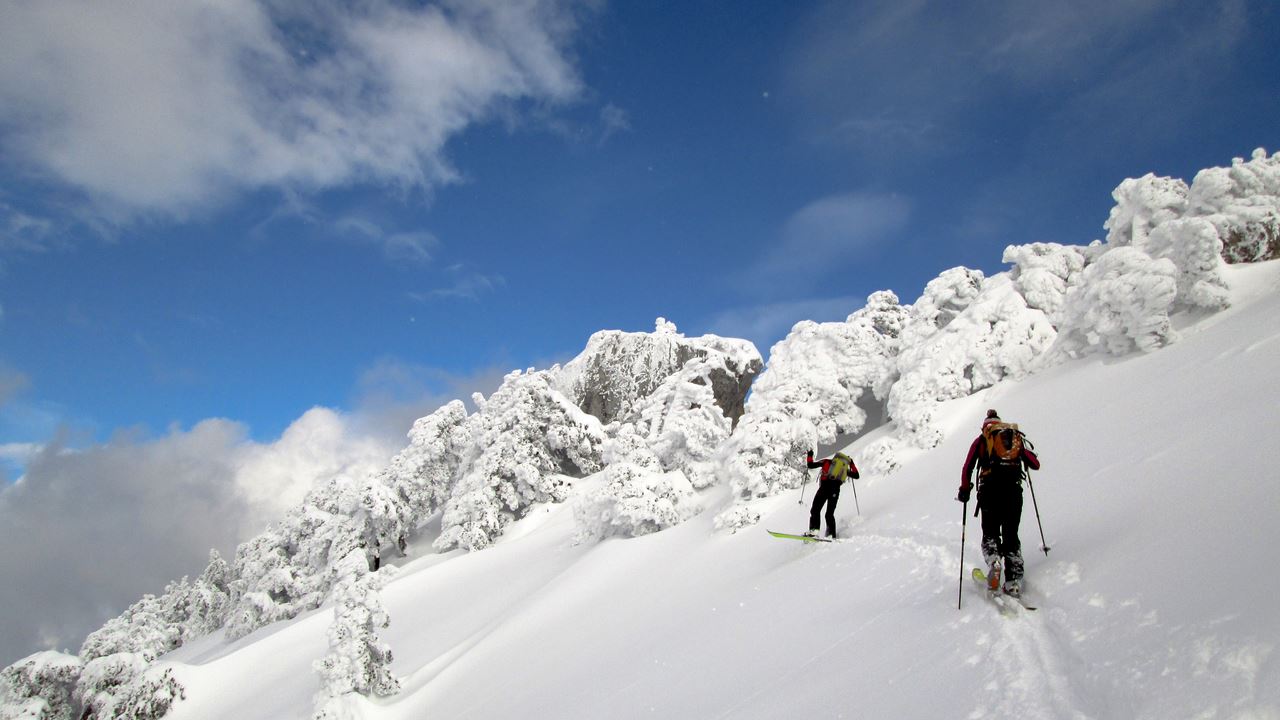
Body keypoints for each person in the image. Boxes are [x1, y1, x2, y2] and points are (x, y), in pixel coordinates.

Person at [957, 409, 1041, 597]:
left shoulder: (981, 441)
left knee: (990, 533)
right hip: (1013, 493)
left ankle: (994, 561)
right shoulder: (1013, 439)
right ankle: (1013, 580)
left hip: (989, 493)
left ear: (985, 426)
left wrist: (964, 490)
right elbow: (1035, 464)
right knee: (1011, 534)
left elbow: (967, 467)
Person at [805, 449, 859, 538]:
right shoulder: (844, 470)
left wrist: (810, 455)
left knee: (815, 509)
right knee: (829, 514)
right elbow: (856, 475)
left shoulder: (826, 462)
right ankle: (831, 535)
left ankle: (813, 531)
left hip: (824, 488)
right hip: (835, 491)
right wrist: (851, 464)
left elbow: (810, 465)